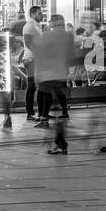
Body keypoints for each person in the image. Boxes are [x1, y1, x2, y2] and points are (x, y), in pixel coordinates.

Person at [33, 16, 73, 155]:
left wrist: (38, 73)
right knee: (56, 105)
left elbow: (40, 54)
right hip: (61, 73)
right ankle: (59, 141)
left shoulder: (47, 36)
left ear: (53, 23)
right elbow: (70, 55)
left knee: (49, 100)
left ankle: (58, 142)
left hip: (48, 73)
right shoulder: (68, 36)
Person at [21, 6, 45, 122]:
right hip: (31, 59)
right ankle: (29, 113)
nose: (42, 15)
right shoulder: (29, 26)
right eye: (40, 13)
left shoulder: (36, 25)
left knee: (38, 86)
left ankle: (41, 112)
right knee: (32, 86)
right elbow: (28, 43)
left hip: (36, 59)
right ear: (34, 14)